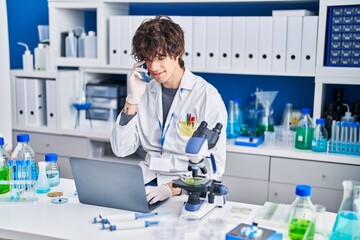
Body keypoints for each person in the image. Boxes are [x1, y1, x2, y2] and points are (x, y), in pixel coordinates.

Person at [110, 16, 227, 205]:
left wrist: (171, 188)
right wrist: (132, 99)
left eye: (161, 58)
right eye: (148, 59)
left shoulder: (207, 97)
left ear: (178, 52)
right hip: (146, 185)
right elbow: (121, 149)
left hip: (188, 192)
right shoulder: (144, 91)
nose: (153, 67)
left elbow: (215, 168)